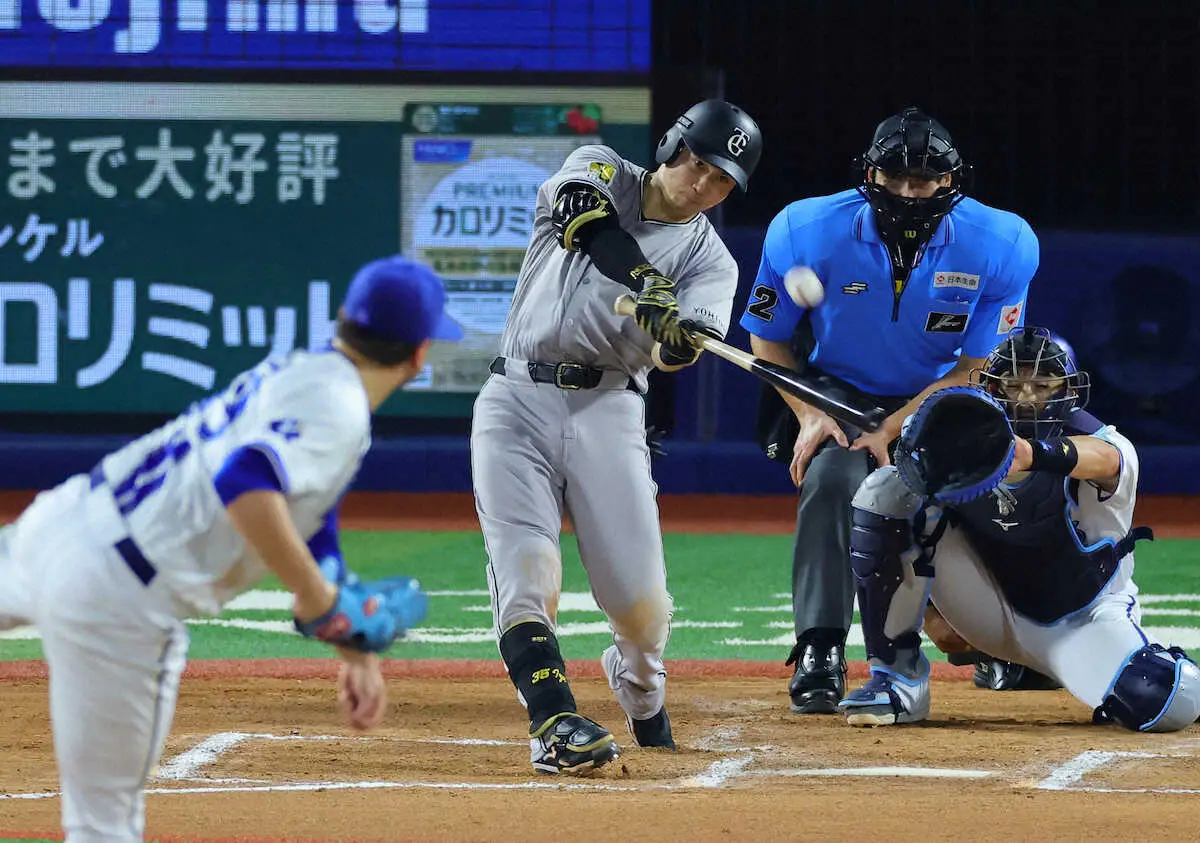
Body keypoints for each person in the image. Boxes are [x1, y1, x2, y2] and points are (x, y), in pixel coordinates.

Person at [0, 255, 461, 842]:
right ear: (419, 356)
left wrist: (350, 645)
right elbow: (244, 482)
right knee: (104, 828)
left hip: (58, 526)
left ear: (344, 319)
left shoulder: (304, 371)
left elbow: (311, 518)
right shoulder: (338, 408)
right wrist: (320, 601)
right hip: (114, 599)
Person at [471, 99, 762, 774]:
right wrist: (646, 284)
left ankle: (642, 694)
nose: (703, 184)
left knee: (642, 608)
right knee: (526, 571)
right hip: (516, 396)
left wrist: (675, 337)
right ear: (673, 145)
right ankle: (553, 722)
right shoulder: (599, 165)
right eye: (698, 162)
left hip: (609, 409)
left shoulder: (713, 264)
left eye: (722, 180)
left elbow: (680, 356)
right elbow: (587, 221)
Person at [738, 106, 1039, 714]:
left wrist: (897, 425)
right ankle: (821, 646)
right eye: (895, 177)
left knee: (987, 502)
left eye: (924, 179)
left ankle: (999, 642)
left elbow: (977, 363)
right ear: (869, 174)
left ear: (951, 181)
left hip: (943, 400)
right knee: (831, 479)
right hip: (836, 393)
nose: (908, 191)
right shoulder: (804, 229)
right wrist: (808, 415)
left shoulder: (1003, 244)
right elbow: (767, 339)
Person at [838, 326, 1200, 731]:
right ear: (991, 387)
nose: (1026, 397)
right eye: (1012, 385)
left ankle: (1056, 669)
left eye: (1043, 384)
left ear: (1069, 390)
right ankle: (897, 680)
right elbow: (905, 509)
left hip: (1080, 621)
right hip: (989, 604)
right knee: (886, 490)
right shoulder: (964, 442)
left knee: (1164, 697)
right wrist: (936, 616)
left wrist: (1030, 454)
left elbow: (1106, 460)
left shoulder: (1106, 443)